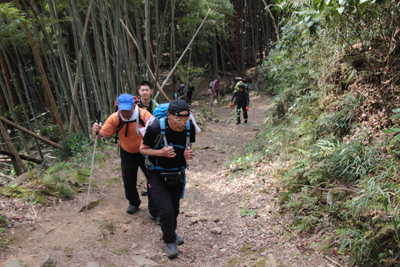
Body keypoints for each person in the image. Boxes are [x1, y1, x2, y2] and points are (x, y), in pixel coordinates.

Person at [139, 99, 196, 258]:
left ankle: (171, 232)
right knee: (165, 209)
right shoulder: (156, 128)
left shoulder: (188, 128)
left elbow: (188, 147)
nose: (182, 123)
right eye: (178, 119)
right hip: (155, 172)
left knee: (175, 208)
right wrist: (161, 153)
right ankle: (169, 241)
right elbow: (142, 149)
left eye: (185, 120)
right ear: (169, 115)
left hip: (177, 172)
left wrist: (188, 154)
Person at [92, 94, 159, 222]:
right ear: (118, 107)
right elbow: (98, 137)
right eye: (122, 110)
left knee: (153, 180)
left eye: (128, 109)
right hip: (127, 152)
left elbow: (157, 133)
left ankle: (155, 211)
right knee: (128, 179)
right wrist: (95, 130)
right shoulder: (115, 118)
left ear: (134, 106)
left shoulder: (145, 115)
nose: (125, 113)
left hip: (146, 152)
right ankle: (134, 202)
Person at [138, 81, 159, 197]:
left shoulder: (156, 106)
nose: (145, 92)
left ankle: (149, 183)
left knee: (149, 162)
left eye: (147, 90)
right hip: (137, 138)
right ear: (139, 92)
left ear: (151, 92)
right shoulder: (135, 106)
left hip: (152, 139)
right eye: (143, 90)